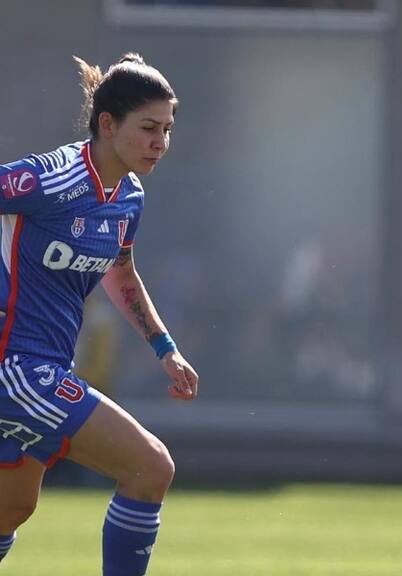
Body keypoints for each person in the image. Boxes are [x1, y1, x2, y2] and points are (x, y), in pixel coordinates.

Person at [0, 53, 198, 575]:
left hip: (44, 368)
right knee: (150, 467)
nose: (161, 142)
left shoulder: (128, 197)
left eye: (167, 129)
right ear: (107, 124)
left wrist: (165, 348)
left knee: (10, 509)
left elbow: (121, 273)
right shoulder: (50, 177)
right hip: (17, 370)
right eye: (149, 128)